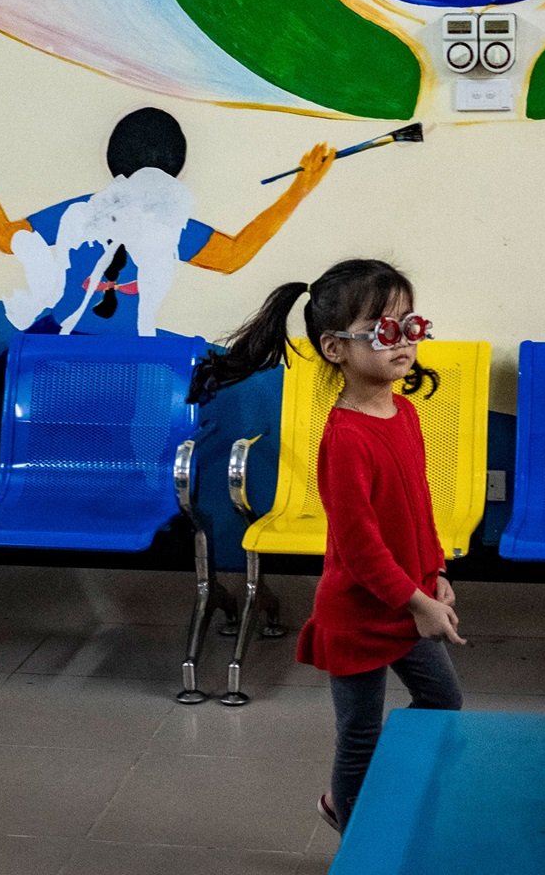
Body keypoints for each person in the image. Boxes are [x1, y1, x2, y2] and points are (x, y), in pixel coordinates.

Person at [189, 259, 465, 832]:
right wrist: (418, 603)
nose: (403, 341)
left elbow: (420, 507)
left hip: (410, 599)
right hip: (361, 614)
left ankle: (386, 789)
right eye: (383, 330)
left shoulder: (406, 412)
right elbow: (360, 550)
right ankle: (348, 817)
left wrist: (435, 571)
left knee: (444, 702)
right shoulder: (345, 440)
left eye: (410, 325)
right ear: (335, 348)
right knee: (359, 735)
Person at [0, 107, 336, 335]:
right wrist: (299, 189)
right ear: (175, 166)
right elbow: (233, 256)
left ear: (115, 159)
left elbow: (6, 237)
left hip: (53, 346)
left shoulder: (82, 210)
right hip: (125, 359)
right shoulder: (169, 224)